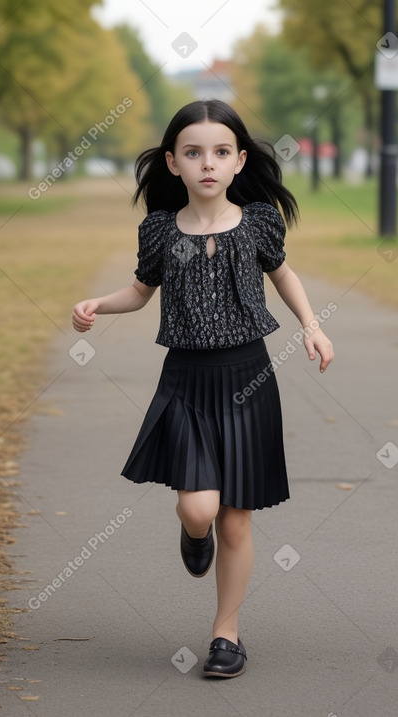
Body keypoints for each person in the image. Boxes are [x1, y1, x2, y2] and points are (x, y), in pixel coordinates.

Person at [72, 99, 334, 679]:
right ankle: (194, 538)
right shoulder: (161, 231)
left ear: (240, 161)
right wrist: (98, 305)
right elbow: (141, 291)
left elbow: (283, 274)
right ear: (173, 163)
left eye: (220, 153)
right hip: (186, 382)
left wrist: (311, 327)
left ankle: (226, 634)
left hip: (249, 377)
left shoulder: (259, 221)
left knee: (236, 519)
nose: (207, 164)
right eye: (193, 153)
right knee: (199, 508)